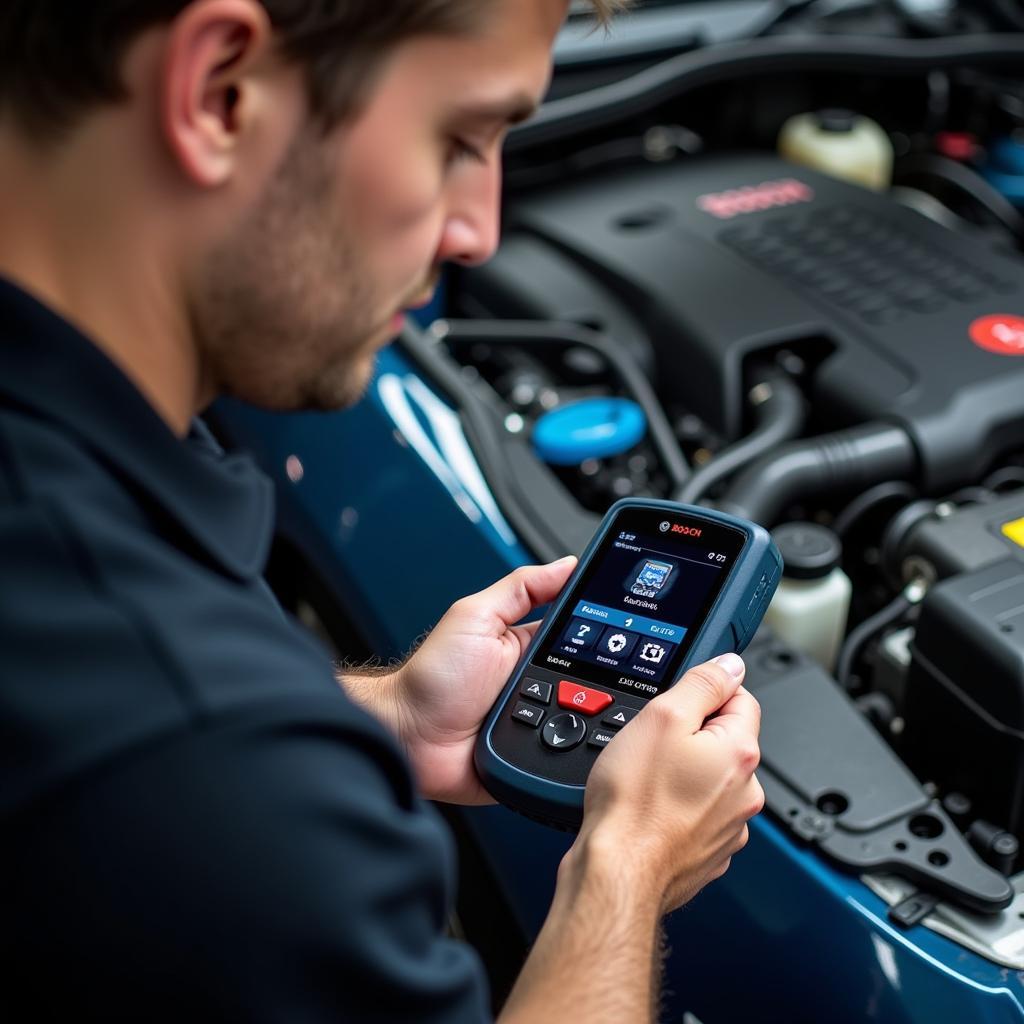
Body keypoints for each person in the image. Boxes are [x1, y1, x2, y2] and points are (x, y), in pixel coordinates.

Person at [0, 1, 764, 1020]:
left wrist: (384, 714)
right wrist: (625, 868)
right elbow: (176, 750)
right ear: (220, 92)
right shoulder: (208, 765)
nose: (478, 233)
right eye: (458, 139)